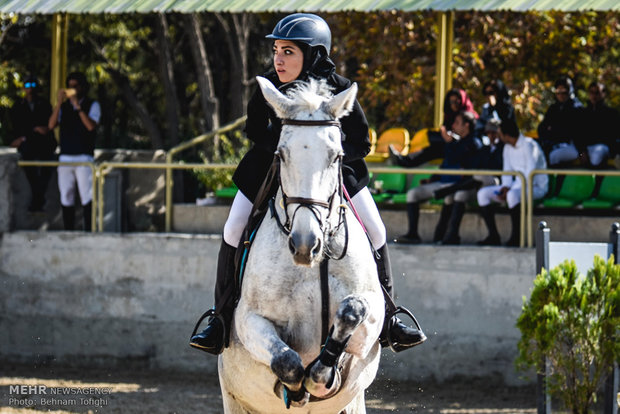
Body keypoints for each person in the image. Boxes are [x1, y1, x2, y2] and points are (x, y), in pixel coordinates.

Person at [190, 13, 426, 355]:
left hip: (331, 174)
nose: (278, 59)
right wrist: (290, 152)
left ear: (312, 54)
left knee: (375, 230)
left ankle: (390, 318)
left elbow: (361, 142)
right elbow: (255, 132)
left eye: (288, 51)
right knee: (232, 228)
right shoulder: (269, 86)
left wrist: (322, 153)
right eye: (276, 51)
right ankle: (220, 319)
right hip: (271, 168)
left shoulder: (341, 89)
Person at [396, 111, 481, 244]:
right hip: (443, 182)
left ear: (467, 125)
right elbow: (446, 165)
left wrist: (449, 143)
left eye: (457, 123)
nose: (453, 126)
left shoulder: (474, 143)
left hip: (457, 185)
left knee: (451, 196)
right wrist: (433, 179)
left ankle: (448, 236)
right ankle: (413, 234)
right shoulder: (454, 142)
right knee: (413, 194)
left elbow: (461, 162)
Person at [477, 119, 548, 246]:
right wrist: (505, 187)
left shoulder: (529, 145)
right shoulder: (507, 148)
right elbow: (507, 171)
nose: (498, 136)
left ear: (507, 135)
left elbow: (529, 174)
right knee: (483, 194)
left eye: (500, 133)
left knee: (512, 195)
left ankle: (517, 238)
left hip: (535, 187)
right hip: (515, 187)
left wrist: (510, 190)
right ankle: (493, 236)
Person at [435, 118, 504, 245]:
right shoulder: (485, 149)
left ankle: (450, 189)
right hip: (478, 186)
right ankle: (450, 235)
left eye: (494, 132)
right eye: (488, 133)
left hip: (498, 184)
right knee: (458, 195)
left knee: (480, 176)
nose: (491, 135)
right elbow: (472, 166)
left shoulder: (504, 149)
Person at [48, 71, 100, 231]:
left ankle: (88, 229)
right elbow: (51, 125)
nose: (72, 89)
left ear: (83, 87)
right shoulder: (64, 107)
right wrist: (58, 102)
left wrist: (78, 106)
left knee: (86, 194)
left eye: (75, 86)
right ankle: (68, 230)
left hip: (84, 156)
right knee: (66, 194)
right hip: (66, 156)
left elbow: (91, 126)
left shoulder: (92, 105)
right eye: (70, 86)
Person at [389, 88, 478, 167]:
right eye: (450, 102)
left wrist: (452, 140)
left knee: (435, 149)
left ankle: (404, 161)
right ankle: (404, 160)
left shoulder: (470, 117)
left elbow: (470, 141)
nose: (453, 105)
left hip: (464, 153)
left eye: (456, 102)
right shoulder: (450, 116)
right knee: (432, 149)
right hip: (450, 149)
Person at [9, 75, 57, 212]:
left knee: (47, 166)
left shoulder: (45, 104)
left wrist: (39, 130)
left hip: (44, 144)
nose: (30, 90)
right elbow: (19, 127)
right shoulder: (18, 106)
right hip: (27, 144)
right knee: (29, 167)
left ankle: (38, 197)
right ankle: (38, 197)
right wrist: (30, 133)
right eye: (28, 86)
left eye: (33, 86)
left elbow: (46, 128)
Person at [537, 76, 584, 167]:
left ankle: (556, 180)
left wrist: (553, 129)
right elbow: (542, 128)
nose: (561, 95)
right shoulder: (554, 108)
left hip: (573, 147)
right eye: (558, 92)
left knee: (554, 156)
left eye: (564, 92)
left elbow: (574, 132)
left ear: (570, 92)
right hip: (555, 144)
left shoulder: (577, 108)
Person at [580, 81, 619, 168]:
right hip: (586, 149)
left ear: (603, 94)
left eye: (597, 92)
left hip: (604, 148)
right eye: (591, 92)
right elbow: (578, 135)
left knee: (597, 154)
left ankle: (596, 180)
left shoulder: (612, 113)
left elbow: (614, 136)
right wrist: (582, 152)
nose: (594, 95)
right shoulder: (582, 113)